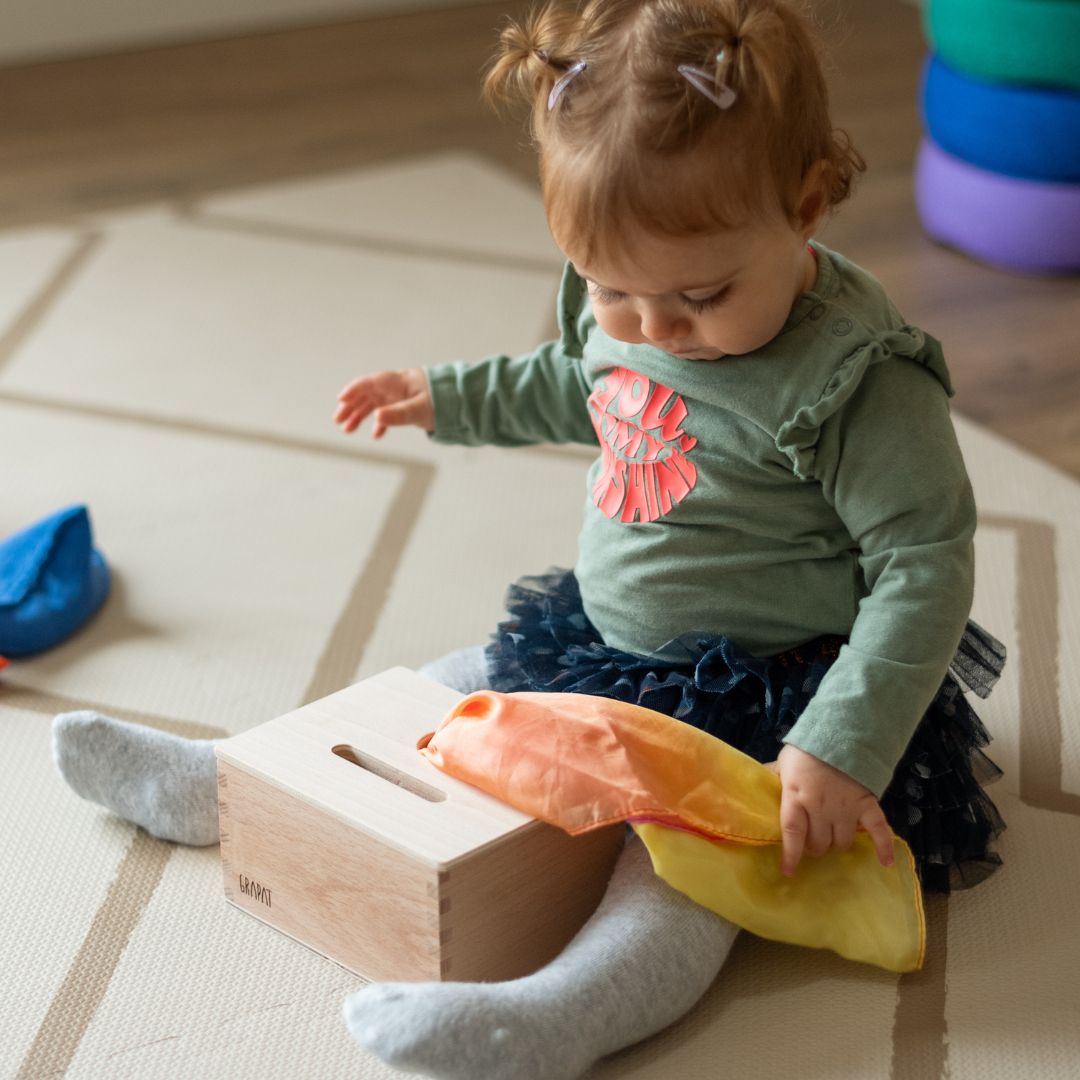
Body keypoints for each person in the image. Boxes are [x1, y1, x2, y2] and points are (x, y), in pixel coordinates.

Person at [52, 1, 1007, 1077]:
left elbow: (923, 563)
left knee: (681, 875)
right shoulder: (633, 304)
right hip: (605, 642)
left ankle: (557, 1017)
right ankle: (224, 782)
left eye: (700, 296)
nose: (654, 329)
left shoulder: (858, 382)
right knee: (440, 690)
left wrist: (840, 745)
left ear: (808, 205)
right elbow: (574, 383)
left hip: (769, 694)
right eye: (612, 290)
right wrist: (444, 396)